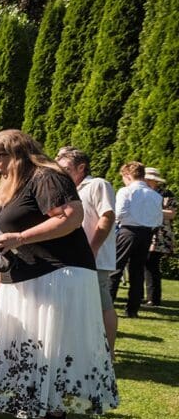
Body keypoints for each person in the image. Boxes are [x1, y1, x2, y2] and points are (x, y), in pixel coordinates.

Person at [0, 129, 117, 419]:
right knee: (32, 341)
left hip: (57, 272)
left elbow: (71, 216)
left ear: (15, 154)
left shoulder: (47, 176)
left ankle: (54, 409)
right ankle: (32, 400)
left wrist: (20, 237)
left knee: (52, 342)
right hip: (27, 273)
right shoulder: (15, 184)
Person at [57, 146, 118, 355]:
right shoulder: (70, 190)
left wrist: (93, 249)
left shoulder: (97, 184)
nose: (61, 173)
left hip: (95, 258)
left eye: (66, 168)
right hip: (74, 259)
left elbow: (107, 216)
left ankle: (107, 353)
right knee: (80, 307)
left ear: (81, 167)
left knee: (102, 305)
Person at [110, 161, 163, 318]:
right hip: (146, 233)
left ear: (127, 175)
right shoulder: (156, 195)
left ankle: (107, 303)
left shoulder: (126, 191)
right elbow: (158, 218)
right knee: (137, 271)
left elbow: (119, 212)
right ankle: (132, 309)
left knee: (116, 268)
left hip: (128, 231)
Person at [144, 168, 174, 307]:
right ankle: (148, 296)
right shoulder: (143, 193)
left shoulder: (165, 194)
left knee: (151, 264)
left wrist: (152, 209)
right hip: (146, 231)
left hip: (160, 233)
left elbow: (171, 214)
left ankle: (153, 298)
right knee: (145, 264)